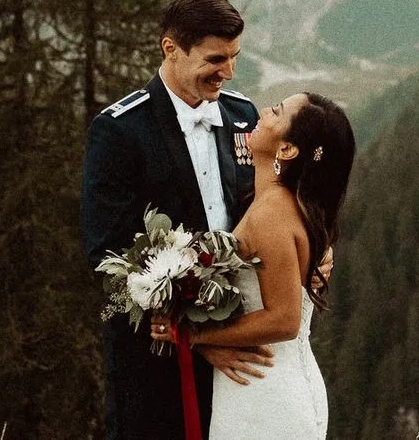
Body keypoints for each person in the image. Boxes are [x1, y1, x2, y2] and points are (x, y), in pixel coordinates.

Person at [81, 0, 273, 440]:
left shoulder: (243, 116)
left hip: (241, 342)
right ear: (171, 48)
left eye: (234, 57)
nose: (227, 71)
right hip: (154, 355)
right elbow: (106, 250)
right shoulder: (119, 130)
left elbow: (266, 209)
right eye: (215, 59)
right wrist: (196, 339)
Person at [151, 91, 355, 440]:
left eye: (276, 112)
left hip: (263, 394)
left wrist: (192, 334)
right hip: (267, 385)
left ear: (287, 150)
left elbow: (284, 319)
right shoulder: (281, 204)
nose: (263, 111)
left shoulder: (273, 213)